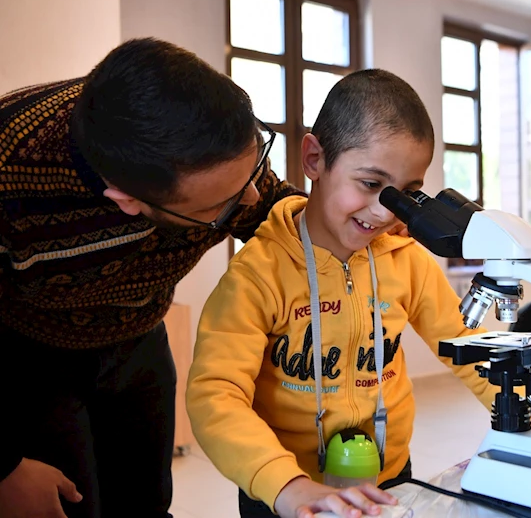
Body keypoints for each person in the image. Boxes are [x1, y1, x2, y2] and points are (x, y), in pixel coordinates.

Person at [0, 38, 302, 518]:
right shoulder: (9, 167)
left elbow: (273, 211)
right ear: (127, 202)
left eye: (254, 170)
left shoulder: (197, 137)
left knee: (146, 505)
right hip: (29, 360)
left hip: (139, 336)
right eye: (216, 208)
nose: (248, 199)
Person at [186, 69, 500, 518]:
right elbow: (215, 394)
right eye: (371, 184)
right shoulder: (258, 272)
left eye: (406, 194)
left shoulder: (406, 260)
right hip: (286, 491)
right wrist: (285, 485)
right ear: (314, 159)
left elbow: (468, 347)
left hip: (387, 477)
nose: (383, 211)